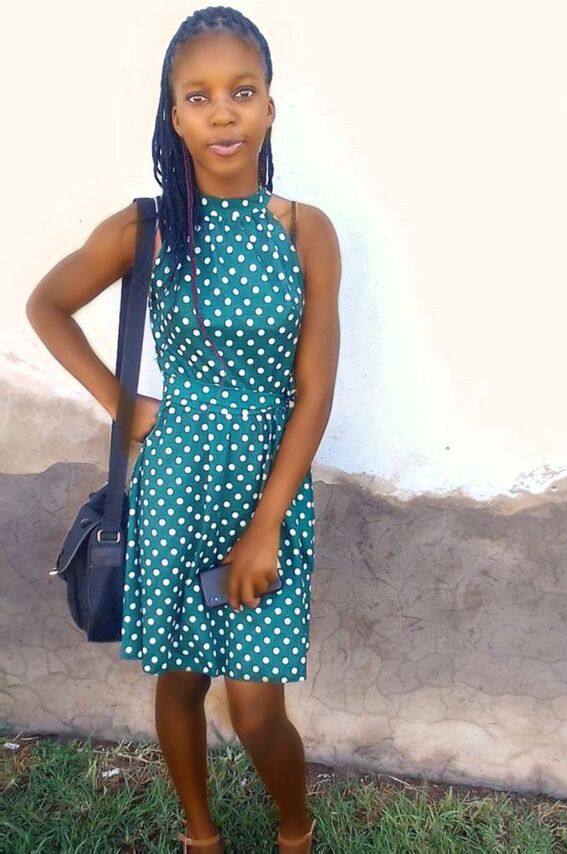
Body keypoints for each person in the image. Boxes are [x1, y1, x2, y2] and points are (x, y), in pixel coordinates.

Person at [25, 6, 341, 853]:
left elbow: (314, 392)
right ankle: (201, 835)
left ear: (270, 105)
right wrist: (122, 403)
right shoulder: (149, 228)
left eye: (242, 91)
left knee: (256, 707)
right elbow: (47, 304)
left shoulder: (305, 232)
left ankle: (295, 831)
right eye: (198, 97)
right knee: (180, 679)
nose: (222, 112)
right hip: (175, 479)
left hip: (269, 482)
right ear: (174, 115)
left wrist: (267, 525)